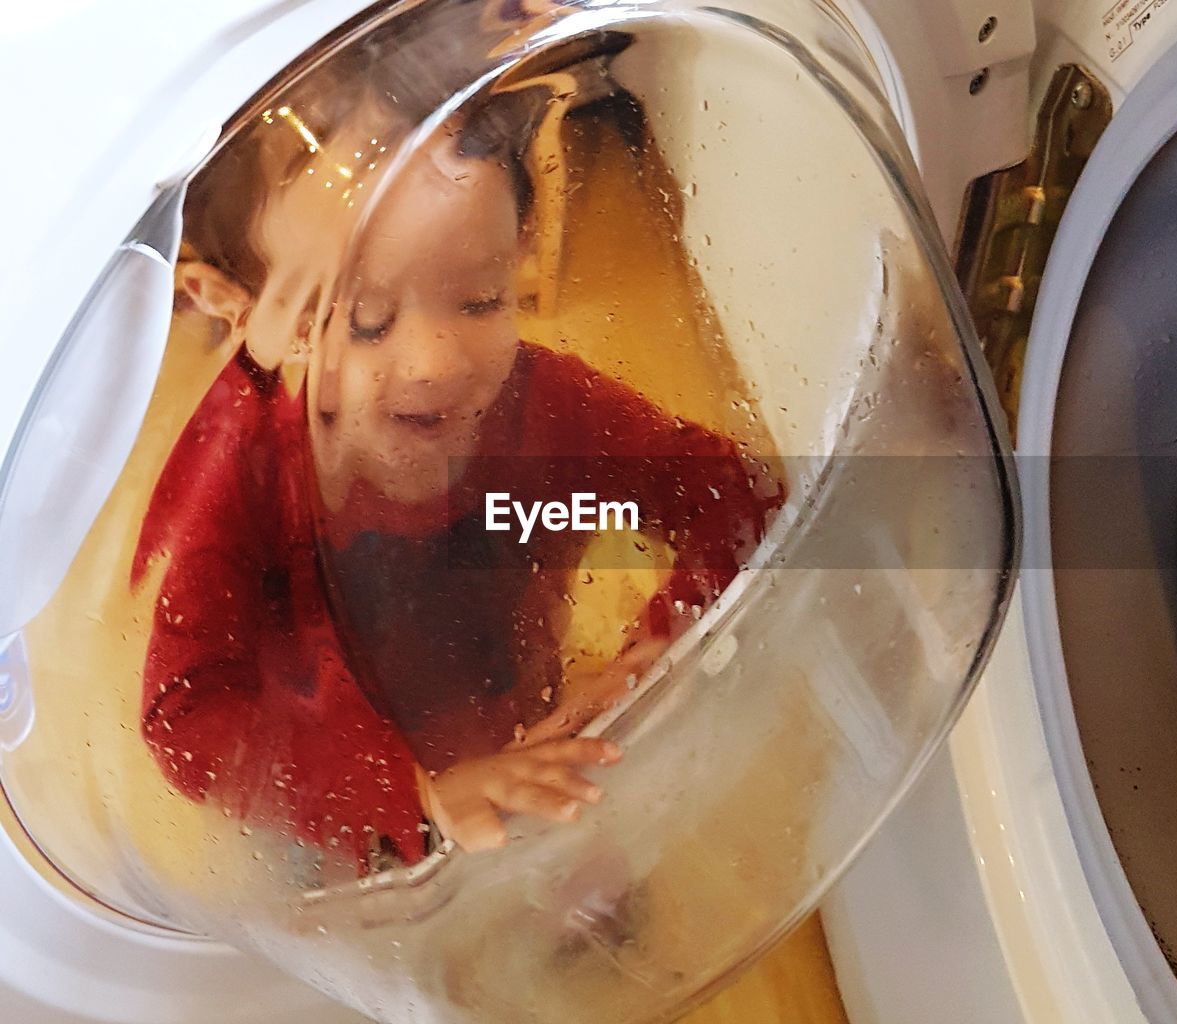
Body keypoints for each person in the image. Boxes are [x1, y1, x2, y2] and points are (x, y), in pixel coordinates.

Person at [131, 49, 781, 873]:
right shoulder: (249, 476)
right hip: (331, 800)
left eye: (479, 298)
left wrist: (656, 650)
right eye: (366, 321)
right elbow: (183, 713)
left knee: (586, 895)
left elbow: (738, 495)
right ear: (245, 313)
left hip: (528, 734)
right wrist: (409, 795)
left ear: (523, 248)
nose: (436, 361)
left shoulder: (550, 407)